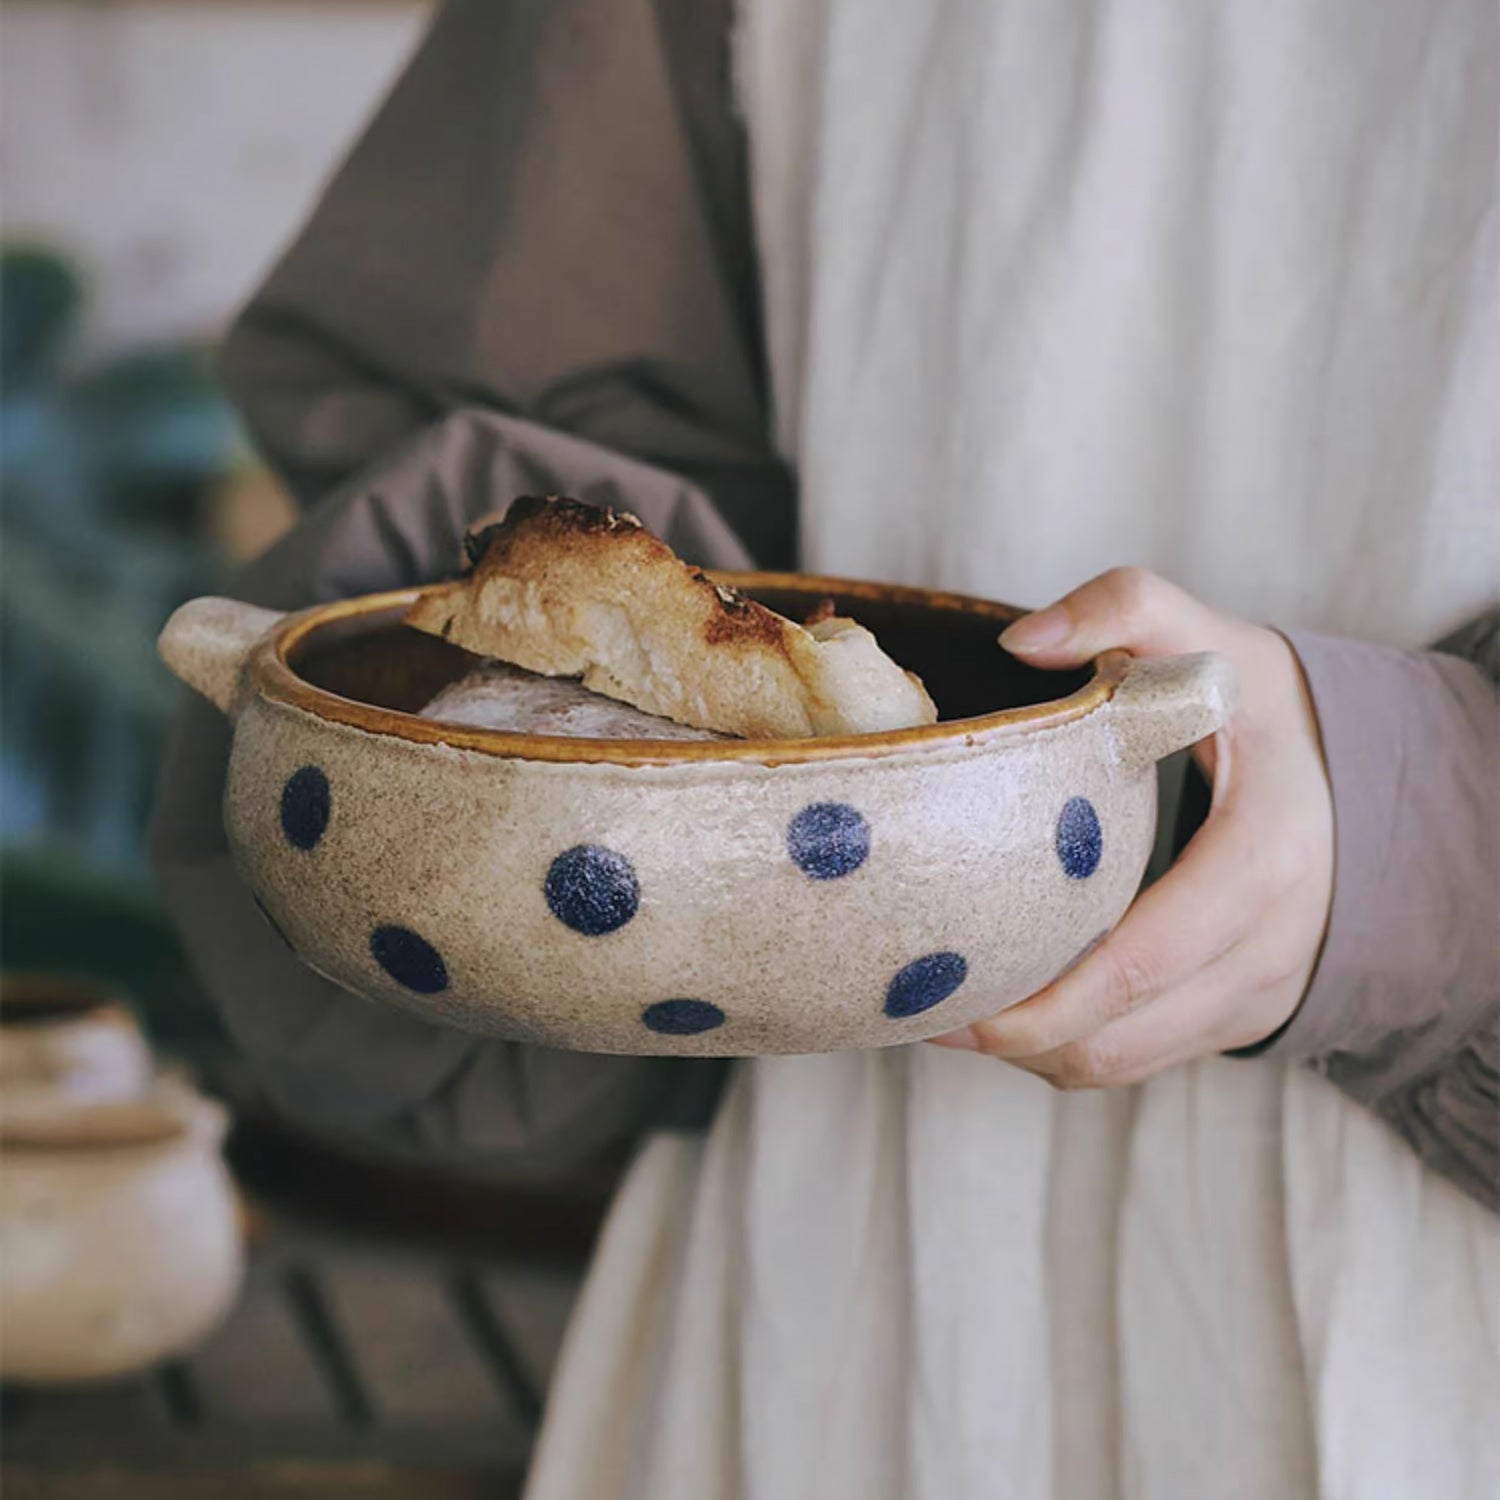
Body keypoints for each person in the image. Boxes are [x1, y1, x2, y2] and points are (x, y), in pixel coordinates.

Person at [153, 2, 1499, 1495]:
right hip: (843, 1257)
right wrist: (573, 781)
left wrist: (1428, 826)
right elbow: (500, 366)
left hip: (1429, 1329)